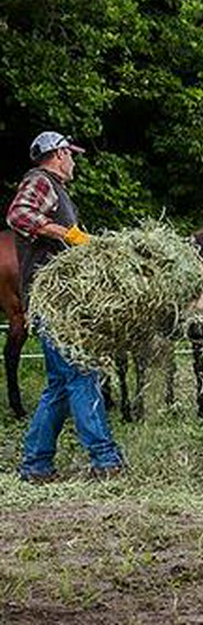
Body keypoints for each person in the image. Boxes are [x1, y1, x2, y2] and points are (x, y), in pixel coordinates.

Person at [6, 131, 125, 482]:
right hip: (54, 303)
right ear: (57, 154)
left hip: (56, 302)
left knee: (59, 386)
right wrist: (64, 233)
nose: (73, 161)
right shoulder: (41, 181)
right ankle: (105, 461)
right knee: (82, 374)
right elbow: (19, 215)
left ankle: (36, 465)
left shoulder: (56, 189)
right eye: (70, 154)